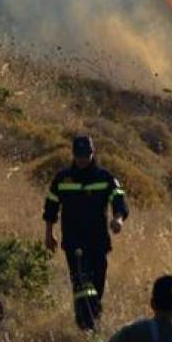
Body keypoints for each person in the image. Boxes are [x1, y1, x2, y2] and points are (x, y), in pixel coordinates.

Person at [43, 134, 128, 330]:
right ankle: (85, 325)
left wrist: (118, 219)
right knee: (81, 282)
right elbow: (50, 207)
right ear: (73, 155)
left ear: (92, 153)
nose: (82, 159)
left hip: (98, 240)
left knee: (97, 282)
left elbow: (119, 201)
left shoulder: (105, 178)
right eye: (79, 155)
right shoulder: (62, 178)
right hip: (74, 241)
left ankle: (93, 318)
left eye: (86, 155)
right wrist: (49, 234)